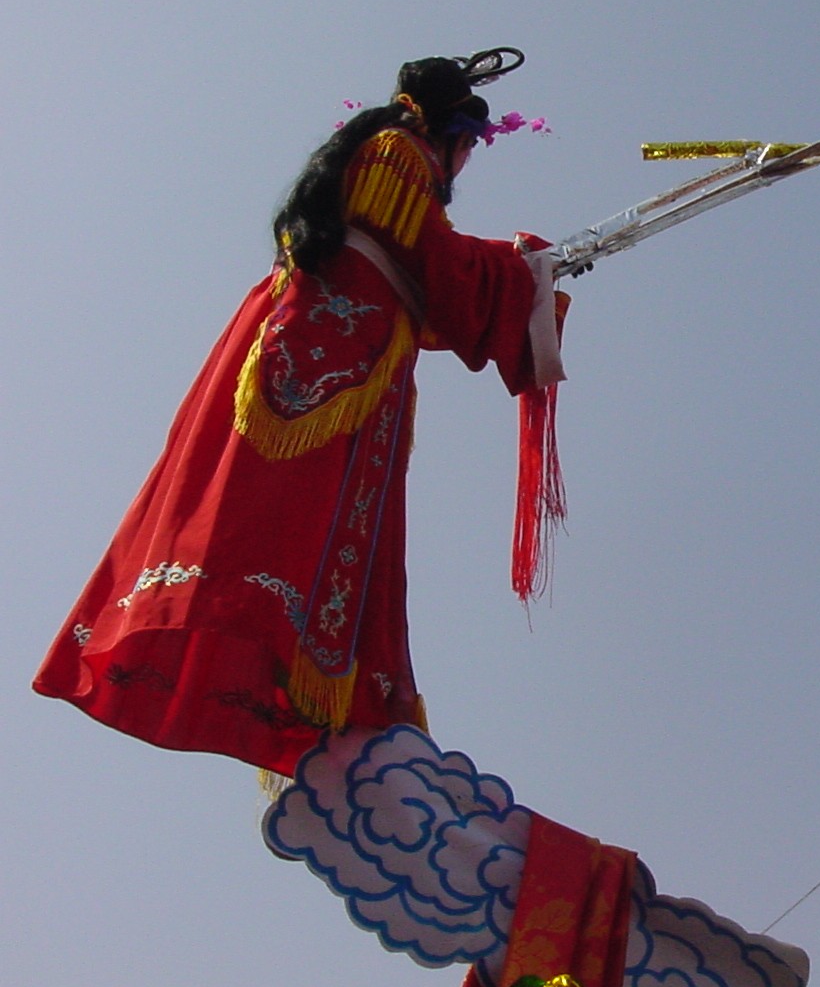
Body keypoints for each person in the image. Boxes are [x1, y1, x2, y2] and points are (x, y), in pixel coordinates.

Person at [34, 49, 568, 778]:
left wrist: (519, 272)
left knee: (321, 524)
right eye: (470, 144)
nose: (468, 161)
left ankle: (308, 667)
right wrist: (522, 268)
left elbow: (428, 281)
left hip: (344, 345)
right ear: (447, 131)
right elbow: (435, 265)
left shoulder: (372, 161)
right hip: (332, 355)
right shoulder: (396, 156)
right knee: (292, 509)